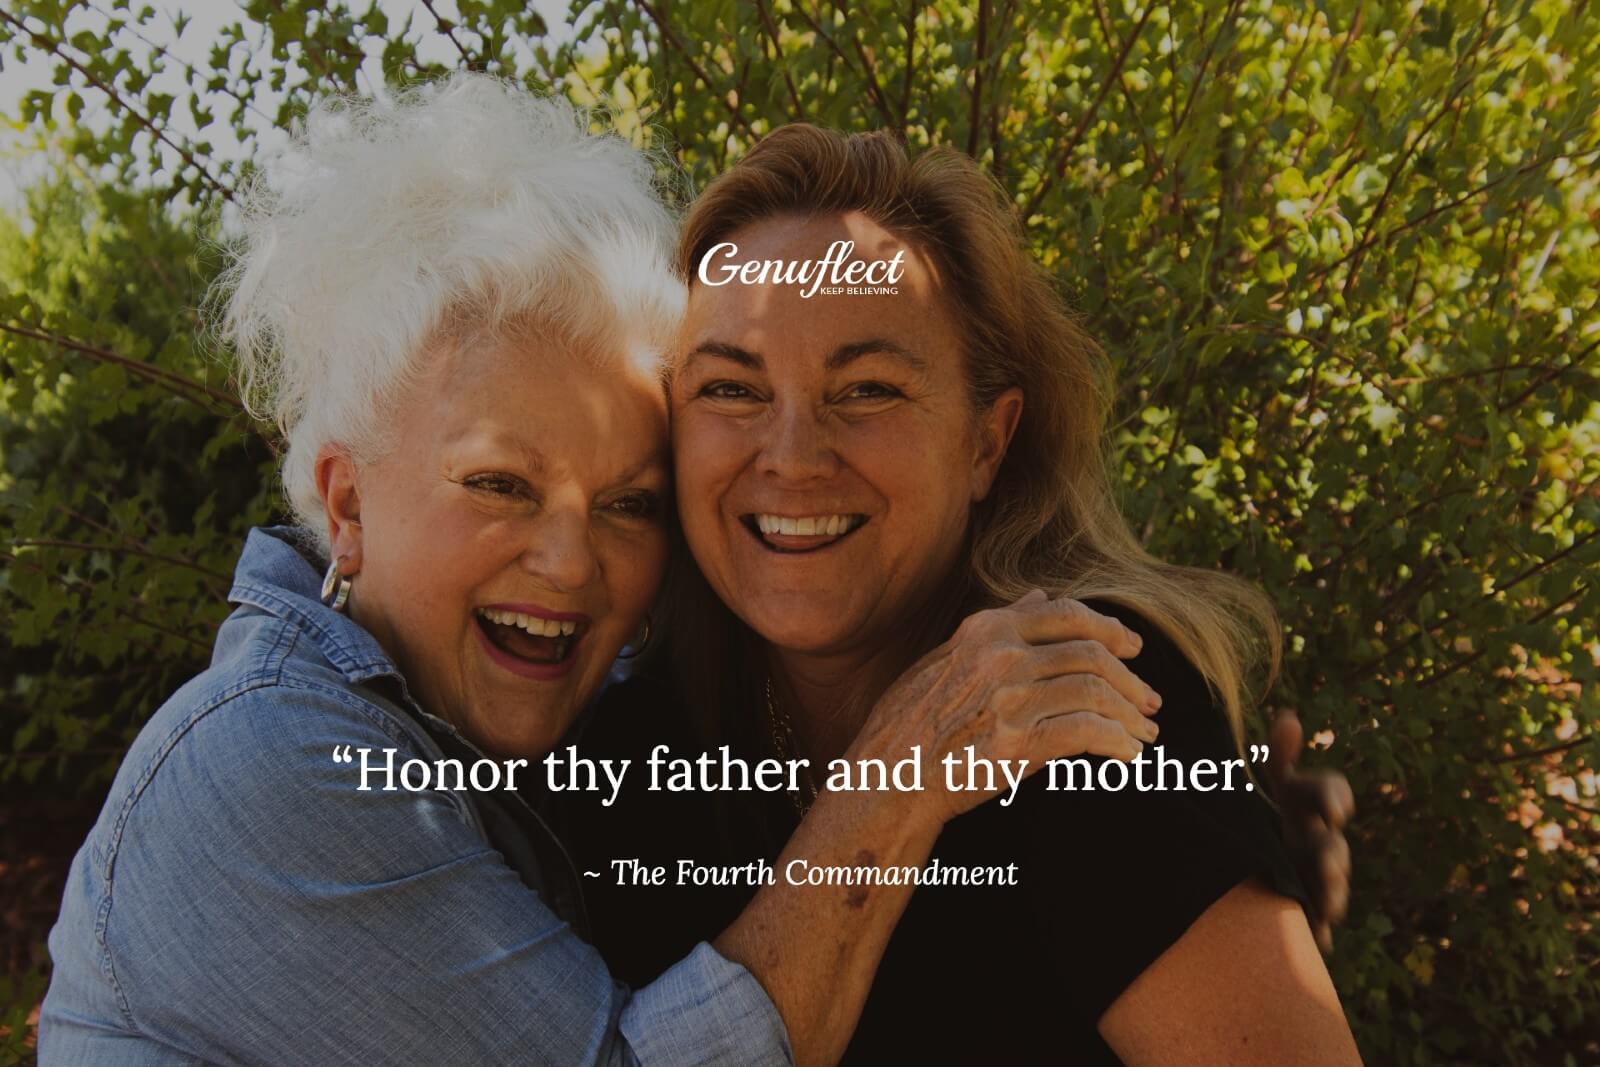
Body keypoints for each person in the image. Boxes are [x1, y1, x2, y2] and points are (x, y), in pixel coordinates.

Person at [37, 79, 1166, 1066]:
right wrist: (895, 780)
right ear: (345, 500)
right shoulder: (272, 763)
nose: (571, 563)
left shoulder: (537, 747)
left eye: (628, 502)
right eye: (498, 484)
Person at [565, 124, 1363, 1064]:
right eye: (731, 391)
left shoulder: (1075, 706)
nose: (790, 457)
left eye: (865, 390)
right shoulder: (627, 747)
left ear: (986, 442)